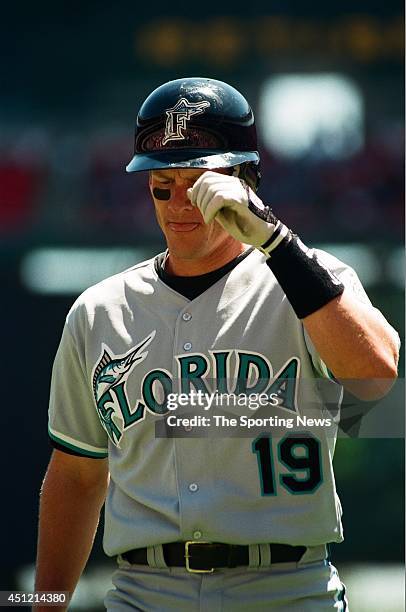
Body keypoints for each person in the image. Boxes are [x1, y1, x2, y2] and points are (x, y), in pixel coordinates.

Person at [35, 77, 399, 611]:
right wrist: (42, 605)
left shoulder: (311, 280)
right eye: (163, 184)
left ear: (243, 178)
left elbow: (375, 376)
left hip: (289, 588)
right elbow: (75, 473)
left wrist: (275, 239)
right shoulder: (99, 311)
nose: (180, 202)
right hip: (146, 591)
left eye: (199, 182)